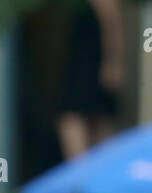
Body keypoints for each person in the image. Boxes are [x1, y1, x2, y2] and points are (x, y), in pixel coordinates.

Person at [56, 0, 124, 160]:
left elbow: (112, 24)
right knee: (90, 118)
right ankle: (86, 169)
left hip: (93, 61)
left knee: (83, 118)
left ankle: (83, 171)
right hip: (78, 60)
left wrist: (113, 63)